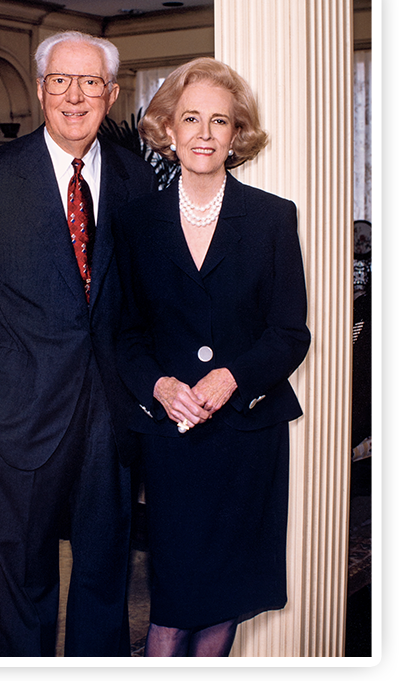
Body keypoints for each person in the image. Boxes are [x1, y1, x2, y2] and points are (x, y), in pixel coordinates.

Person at [0, 31, 157, 656]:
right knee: (23, 574)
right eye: (59, 82)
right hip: (16, 407)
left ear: (111, 92)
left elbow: (149, 292)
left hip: (111, 410)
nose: (74, 97)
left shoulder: (137, 179)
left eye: (89, 83)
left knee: (105, 572)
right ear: (42, 89)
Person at [112, 57, 311, 657]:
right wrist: (160, 386)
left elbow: (289, 333)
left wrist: (232, 375)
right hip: (174, 439)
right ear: (167, 129)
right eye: (190, 118)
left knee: (224, 603)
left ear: (236, 134)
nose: (203, 132)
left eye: (218, 121)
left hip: (247, 437)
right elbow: (122, 334)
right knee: (171, 610)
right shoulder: (134, 222)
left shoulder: (274, 218)